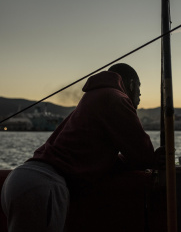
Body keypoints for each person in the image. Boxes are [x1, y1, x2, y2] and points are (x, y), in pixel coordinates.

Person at [1, 63, 155, 232]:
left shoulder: (92, 98)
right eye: (139, 89)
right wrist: (157, 158)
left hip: (19, 180)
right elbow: (143, 156)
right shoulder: (117, 98)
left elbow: (96, 156)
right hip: (44, 187)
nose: (139, 97)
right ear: (132, 84)